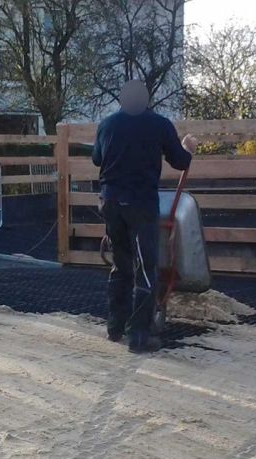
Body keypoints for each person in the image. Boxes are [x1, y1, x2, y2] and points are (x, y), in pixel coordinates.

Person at [92, 80, 198, 353]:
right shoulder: (160, 125)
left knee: (120, 264)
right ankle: (139, 336)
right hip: (140, 204)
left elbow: (96, 159)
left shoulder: (107, 125)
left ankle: (115, 328)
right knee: (145, 269)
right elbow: (180, 161)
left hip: (111, 202)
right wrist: (189, 147)